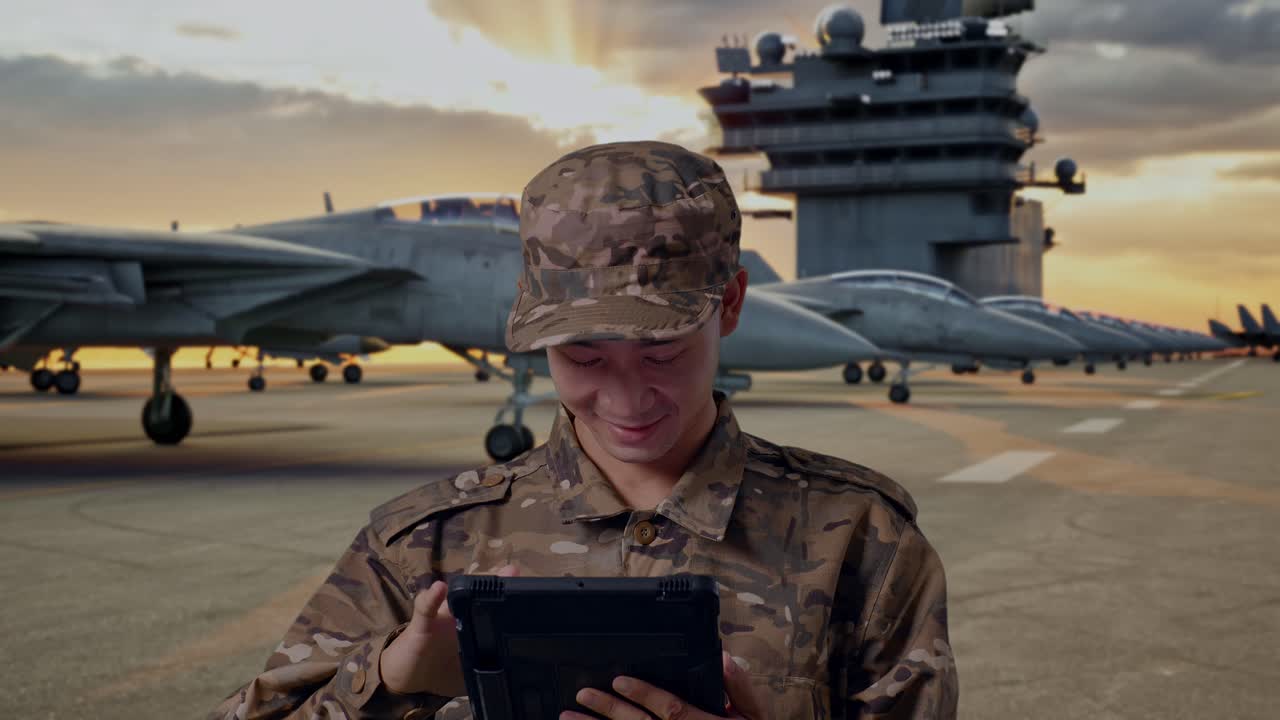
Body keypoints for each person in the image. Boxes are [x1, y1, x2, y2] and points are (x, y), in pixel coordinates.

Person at [207, 141, 957, 720]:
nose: (627, 397)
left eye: (663, 349)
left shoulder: (861, 542)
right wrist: (392, 681)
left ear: (729, 305)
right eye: (583, 355)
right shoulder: (422, 547)